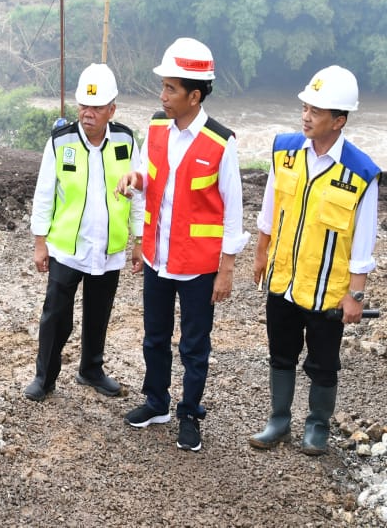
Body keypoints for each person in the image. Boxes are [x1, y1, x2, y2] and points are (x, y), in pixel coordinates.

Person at [115, 37, 247, 453]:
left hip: (199, 266)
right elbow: (146, 172)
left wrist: (226, 269)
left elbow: (233, 212)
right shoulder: (156, 127)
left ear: (195, 95)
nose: (163, 96)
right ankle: (157, 402)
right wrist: (134, 180)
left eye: (171, 89)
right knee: (154, 336)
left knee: (194, 345)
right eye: (163, 88)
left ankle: (189, 412)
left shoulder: (221, 143)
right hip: (157, 255)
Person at [248, 66, 379, 455]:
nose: (306, 116)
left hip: (328, 288)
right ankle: (278, 420)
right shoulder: (284, 151)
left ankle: (317, 426)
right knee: (281, 353)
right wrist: (260, 255)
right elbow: (270, 210)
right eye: (305, 107)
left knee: (323, 363)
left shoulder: (361, 171)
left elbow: (363, 239)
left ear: (339, 121)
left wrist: (355, 294)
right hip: (284, 279)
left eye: (316, 111)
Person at [24, 63, 143, 402]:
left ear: (112, 109)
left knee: (98, 313)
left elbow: (137, 195)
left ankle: (91, 369)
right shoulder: (61, 142)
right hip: (67, 247)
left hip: (108, 247)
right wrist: (39, 243)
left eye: (96, 107)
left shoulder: (125, 139)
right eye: (83, 106)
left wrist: (138, 240)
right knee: (56, 316)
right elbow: (44, 194)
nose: (88, 114)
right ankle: (44, 377)